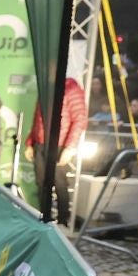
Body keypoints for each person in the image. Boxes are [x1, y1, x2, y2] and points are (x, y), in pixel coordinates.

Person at [27, 77, 89, 225]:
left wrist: (70, 147)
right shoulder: (46, 88)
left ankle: (63, 220)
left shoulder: (71, 88)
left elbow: (80, 119)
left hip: (60, 145)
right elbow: (37, 118)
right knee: (42, 183)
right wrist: (30, 142)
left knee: (59, 183)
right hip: (41, 143)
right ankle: (44, 218)